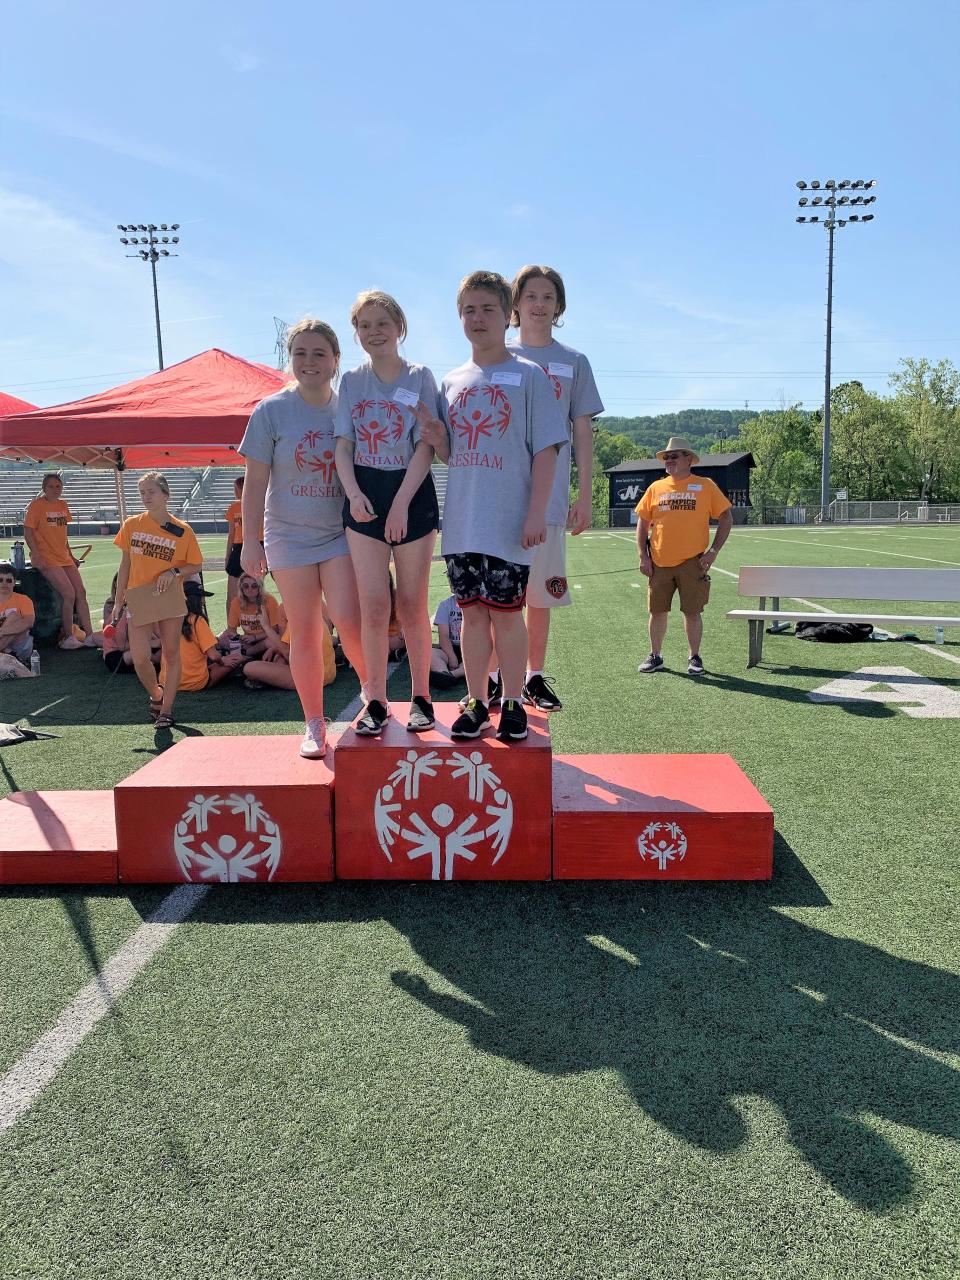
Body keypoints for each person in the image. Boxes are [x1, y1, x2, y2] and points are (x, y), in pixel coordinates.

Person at [418, 270, 566, 742]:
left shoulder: (530, 377)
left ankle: (514, 701)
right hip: (462, 520)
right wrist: (439, 437)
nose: (477, 318)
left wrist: (535, 512)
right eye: (469, 310)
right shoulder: (451, 381)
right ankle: (477, 703)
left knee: (507, 614)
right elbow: (451, 455)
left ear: (508, 315)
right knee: (471, 615)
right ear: (458, 317)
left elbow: (546, 450)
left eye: (488, 309)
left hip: (509, 520)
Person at [239, 317, 366, 758]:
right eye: (300, 353)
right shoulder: (271, 410)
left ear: (335, 360)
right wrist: (250, 542)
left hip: (339, 534)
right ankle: (314, 722)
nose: (309, 362)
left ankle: (374, 700)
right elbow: (255, 482)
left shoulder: (348, 407)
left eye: (319, 353)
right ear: (290, 359)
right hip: (288, 538)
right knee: (306, 631)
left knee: (349, 620)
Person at [334, 289, 439, 737]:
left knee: (412, 604)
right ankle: (375, 698)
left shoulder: (420, 376)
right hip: (364, 492)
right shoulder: (352, 382)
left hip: (410, 491)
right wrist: (354, 494)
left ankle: (421, 697)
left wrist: (399, 504)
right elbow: (344, 444)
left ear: (399, 326)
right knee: (373, 606)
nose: (374, 332)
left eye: (382, 323)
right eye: (365, 325)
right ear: (355, 333)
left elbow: (426, 445)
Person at [506, 265, 604, 710]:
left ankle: (534, 676)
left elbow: (582, 432)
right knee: (497, 593)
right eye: (531, 296)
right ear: (516, 303)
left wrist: (584, 495)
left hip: (549, 498)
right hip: (501, 496)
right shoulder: (498, 355)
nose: (539, 305)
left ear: (559, 305)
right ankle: (492, 678)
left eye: (547, 297)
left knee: (539, 594)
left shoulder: (573, 362)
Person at [110, 471, 204, 728]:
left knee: (171, 654)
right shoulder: (131, 525)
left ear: (165, 495)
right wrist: (118, 602)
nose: (145, 497)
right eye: (142, 492)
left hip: (169, 597)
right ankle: (156, 694)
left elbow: (196, 564)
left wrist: (173, 571)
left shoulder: (183, 530)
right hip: (139, 597)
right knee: (140, 658)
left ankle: (167, 710)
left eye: (151, 492)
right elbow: (125, 565)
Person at [635, 437, 733, 675]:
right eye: (666, 457)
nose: (668, 460)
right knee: (657, 611)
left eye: (674, 456)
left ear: (688, 459)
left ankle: (694, 657)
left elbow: (726, 517)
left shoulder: (705, 485)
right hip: (659, 560)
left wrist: (713, 552)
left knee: (692, 612)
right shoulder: (656, 488)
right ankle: (655, 655)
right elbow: (643, 523)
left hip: (693, 560)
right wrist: (643, 556)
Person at [23, 473, 97, 649]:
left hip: (63, 556)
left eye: (58, 486)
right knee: (69, 594)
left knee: (81, 592)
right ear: (44, 488)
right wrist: (36, 554)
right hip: (47, 557)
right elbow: (28, 531)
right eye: (51, 486)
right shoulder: (36, 506)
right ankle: (69, 637)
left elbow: (63, 535)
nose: (55, 490)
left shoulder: (63, 505)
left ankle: (90, 635)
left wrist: (70, 556)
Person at [161, 580, 244, 692]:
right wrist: (224, 661)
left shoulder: (168, 619)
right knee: (237, 657)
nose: (203, 601)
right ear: (194, 600)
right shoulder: (197, 620)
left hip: (167, 681)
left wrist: (218, 639)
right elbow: (214, 656)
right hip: (194, 682)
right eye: (201, 597)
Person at [243, 617, 336, 691]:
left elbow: (287, 652)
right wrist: (274, 649)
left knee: (249, 668)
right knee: (279, 658)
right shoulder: (313, 616)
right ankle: (269, 678)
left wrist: (266, 626)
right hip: (328, 673)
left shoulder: (296, 620)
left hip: (311, 679)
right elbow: (293, 647)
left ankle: (267, 680)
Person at [102, 572, 160, 673]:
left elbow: (159, 635)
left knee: (169, 649)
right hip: (118, 655)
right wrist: (150, 644)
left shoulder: (145, 608)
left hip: (141, 647)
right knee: (140, 653)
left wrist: (161, 642)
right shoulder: (119, 614)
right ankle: (152, 663)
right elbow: (121, 646)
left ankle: (152, 663)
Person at [220, 572, 285, 659]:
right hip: (247, 640)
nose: (250, 589)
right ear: (241, 588)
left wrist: (254, 637)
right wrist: (238, 638)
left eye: (254, 586)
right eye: (246, 586)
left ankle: (247, 653)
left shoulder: (270, 601)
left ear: (260, 588)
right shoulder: (236, 602)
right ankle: (247, 652)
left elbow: (275, 629)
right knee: (223, 638)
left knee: (271, 642)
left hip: (265, 638)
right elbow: (231, 629)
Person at [0, 561, 35, 668]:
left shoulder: (23, 600)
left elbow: (29, 622)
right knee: (14, 619)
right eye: (0, 580)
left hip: (20, 646)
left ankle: (8, 654)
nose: (4, 583)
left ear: (14, 582)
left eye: (9, 580)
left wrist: (2, 631)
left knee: (15, 617)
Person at [429, 593, 465, 690]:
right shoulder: (445, 605)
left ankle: (451, 675)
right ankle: (443, 672)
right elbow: (443, 636)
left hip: (471, 649)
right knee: (429, 653)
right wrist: (452, 657)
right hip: (450, 648)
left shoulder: (478, 605)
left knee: (482, 658)